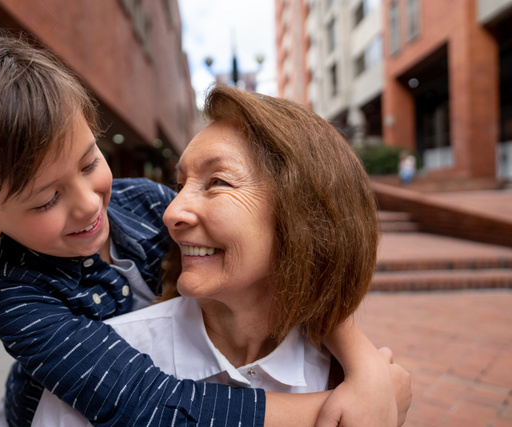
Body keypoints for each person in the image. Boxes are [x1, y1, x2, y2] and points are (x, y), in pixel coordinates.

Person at [0, 35, 408, 427]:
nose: (87, 205)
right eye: (47, 199)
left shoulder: (141, 201)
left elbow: (295, 257)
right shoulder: (17, 293)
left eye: (88, 163)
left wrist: (364, 369)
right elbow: (149, 408)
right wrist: (339, 412)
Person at [31, 84, 412, 426]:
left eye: (216, 182)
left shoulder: (352, 377)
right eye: (179, 185)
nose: (171, 211)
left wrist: (366, 374)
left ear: (305, 215)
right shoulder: (99, 370)